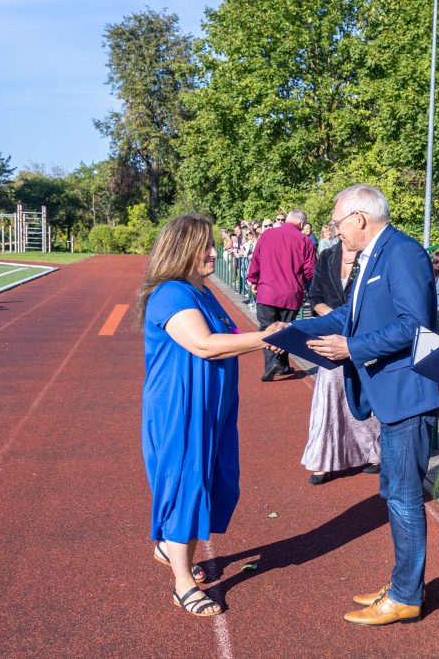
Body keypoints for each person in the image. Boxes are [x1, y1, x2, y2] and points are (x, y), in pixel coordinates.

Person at [292, 184, 439, 626]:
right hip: (390, 397)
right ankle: (402, 584)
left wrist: (352, 348)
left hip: (408, 397)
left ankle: (405, 595)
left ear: (359, 218)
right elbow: (349, 315)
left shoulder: (402, 252)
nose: (338, 234)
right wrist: (297, 331)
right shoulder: (372, 255)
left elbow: (414, 325)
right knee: (394, 494)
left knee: (404, 498)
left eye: (339, 225)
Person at [137, 215, 285, 617]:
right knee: (186, 483)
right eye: (206, 247)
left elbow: (229, 336)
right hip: (180, 408)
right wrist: (264, 337)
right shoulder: (170, 294)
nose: (214, 254)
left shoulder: (201, 291)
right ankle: (182, 582)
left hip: (212, 406)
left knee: (215, 479)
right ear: (183, 249)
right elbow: (203, 344)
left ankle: (170, 545)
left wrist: (268, 339)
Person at [301, 239, 381, 484]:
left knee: (365, 394)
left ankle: (373, 454)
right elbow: (315, 296)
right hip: (331, 334)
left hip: (363, 337)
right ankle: (322, 460)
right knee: (329, 396)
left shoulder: (371, 257)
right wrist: (333, 315)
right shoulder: (327, 256)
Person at [246, 209, 316, 381]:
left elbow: (256, 259)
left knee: (267, 328)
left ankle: (273, 364)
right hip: (291, 292)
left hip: (268, 290)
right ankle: (282, 364)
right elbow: (310, 271)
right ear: (301, 223)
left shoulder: (267, 235)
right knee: (285, 328)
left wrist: (253, 279)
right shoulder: (304, 241)